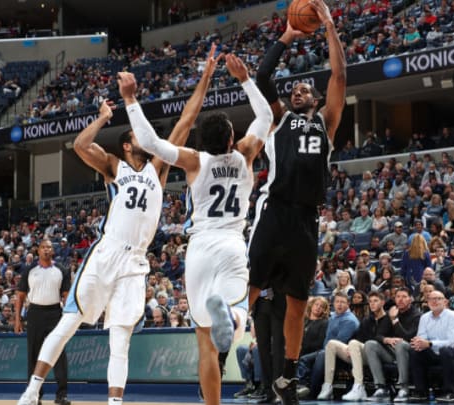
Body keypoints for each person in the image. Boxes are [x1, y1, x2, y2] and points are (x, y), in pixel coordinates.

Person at [17, 46, 221, 405]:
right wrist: (102, 117)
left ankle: (114, 402)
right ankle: (32, 391)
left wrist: (205, 77)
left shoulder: (159, 167)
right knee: (68, 324)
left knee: (121, 338)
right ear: (128, 145)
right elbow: (80, 144)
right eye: (139, 137)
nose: (147, 138)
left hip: (136, 261)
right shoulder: (114, 165)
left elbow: (186, 121)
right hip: (106, 251)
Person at [121, 49, 273, 405]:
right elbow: (265, 115)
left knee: (204, 340)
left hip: (200, 248)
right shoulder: (246, 153)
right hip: (233, 242)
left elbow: (152, 143)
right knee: (237, 311)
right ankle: (233, 317)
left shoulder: (194, 161)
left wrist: (130, 99)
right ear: (231, 138)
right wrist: (245, 79)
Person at [249, 0, 347, 403]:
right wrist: (288, 35)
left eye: (305, 88)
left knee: (297, 303)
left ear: (316, 97)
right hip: (275, 212)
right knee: (251, 288)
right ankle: (223, 341)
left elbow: (340, 73)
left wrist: (327, 25)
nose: (297, 90)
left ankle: (287, 374)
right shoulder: (278, 119)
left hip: (307, 221)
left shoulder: (327, 120)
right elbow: (263, 75)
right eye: (295, 89)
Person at [15, 239, 71, 405]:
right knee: (33, 354)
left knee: (59, 353)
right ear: (38, 250)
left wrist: (67, 317)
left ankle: (61, 395)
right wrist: (17, 319)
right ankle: (34, 395)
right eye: (43, 247)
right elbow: (20, 296)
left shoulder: (61, 269)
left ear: (52, 251)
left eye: (49, 247)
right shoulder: (29, 270)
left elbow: (67, 296)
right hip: (35, 313)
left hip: (55, 313)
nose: (47, 249)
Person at [317, 291, 388, 401]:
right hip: (361, 353)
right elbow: (359, 337)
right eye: (370, 302)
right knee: (331, 344)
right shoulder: (367, 320)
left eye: (375, 301)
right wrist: (351, 347)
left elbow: (381, 339)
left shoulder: (389, 318)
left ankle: (359, 386)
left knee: (354, 343)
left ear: (383, 302)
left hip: (379, 354)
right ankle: (327, 386)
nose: (372, 304)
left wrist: (353, 345)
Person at [408, 290, 454, 402]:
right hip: (435, 354)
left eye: (438, 298)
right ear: (427, 302)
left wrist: (430, 343)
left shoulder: (453, 316)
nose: (434, 301)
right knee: (415, 351)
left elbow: (451, 343)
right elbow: (422, 339)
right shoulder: (424, 317)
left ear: (445, 301)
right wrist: (418, 343)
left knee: (445, 350)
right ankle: (421, 391)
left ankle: (449, 392)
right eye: (431, 299)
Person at [364, 287, 422, 402]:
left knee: (400, 344)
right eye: (398, 297)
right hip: (392, 353)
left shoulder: (417, 315)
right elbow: (378, 335)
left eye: (404, 297)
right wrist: (387, 339)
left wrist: (394, 320)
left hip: (410, 352)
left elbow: (409, 337)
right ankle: (381, 387)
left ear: (410, 299)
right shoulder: (392, 311)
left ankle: (403, 388)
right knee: (370, 344)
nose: (400, 300)